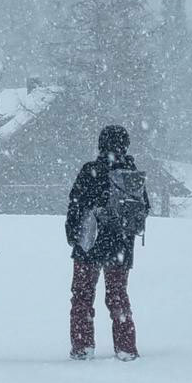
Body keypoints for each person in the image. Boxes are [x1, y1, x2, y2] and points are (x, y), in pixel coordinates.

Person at [64, 124, 149, 361]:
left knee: (82, 296)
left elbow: (75, 205)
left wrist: (73, 236)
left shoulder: (90, 170)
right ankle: (126, 348)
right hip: (120, 245)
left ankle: (82, 347)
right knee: (118, 296)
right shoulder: (132, 175)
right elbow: (145, 208)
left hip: (89, 244)